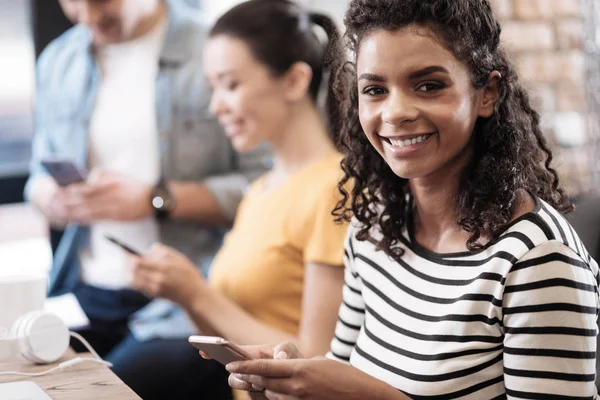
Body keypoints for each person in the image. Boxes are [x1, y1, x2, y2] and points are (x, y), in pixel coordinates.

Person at [223, 0, 600, 398]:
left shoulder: (537, 258)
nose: (396, 111)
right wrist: (297, 380)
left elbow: (360, 391)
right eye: (375, 90)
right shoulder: (372, 224)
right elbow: (344, 374)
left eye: (429, 85)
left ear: (487, 93)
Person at [26, 0, 268, 398]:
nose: (87, 17)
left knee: (100, 391)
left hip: (186, 299)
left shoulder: (215, 49)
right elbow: (37, 175)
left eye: (100, 1)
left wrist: (157, 200)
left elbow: (266, 183)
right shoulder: (59, 60)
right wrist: (50, 198)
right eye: (72, 3)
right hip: (84, 288)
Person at [127, 0, 348, 398]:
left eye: (230, 85)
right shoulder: (260, 190)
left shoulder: (334, 188)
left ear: (295, 81)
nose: (216, 106)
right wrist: (182, 292)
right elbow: (228, 336)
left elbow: (316, 360)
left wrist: (196, 292)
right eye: (213, 88)